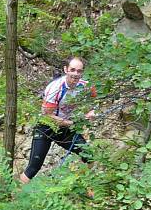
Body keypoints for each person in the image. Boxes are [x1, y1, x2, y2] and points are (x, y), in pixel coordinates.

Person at [20, 56, 96, 184]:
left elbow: (94, 101)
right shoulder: (55, 88)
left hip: (66, 129)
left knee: (89, 156)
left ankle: (80, 184)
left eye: (79, 71)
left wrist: (91, 111)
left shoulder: (85, 86)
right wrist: (73, 123)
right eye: (72, 70)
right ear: (66, 69)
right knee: (34, 167)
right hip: (46, 127)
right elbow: (47, 116)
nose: (75, 74)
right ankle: (15, 197)